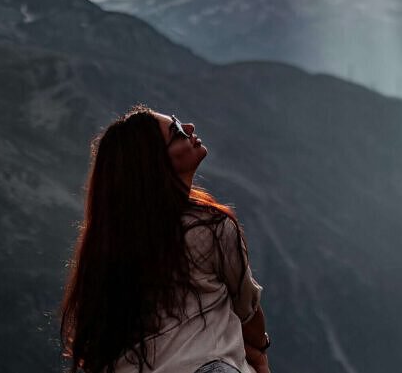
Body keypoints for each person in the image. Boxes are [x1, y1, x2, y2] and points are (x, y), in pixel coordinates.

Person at [60, 105, 270, 373]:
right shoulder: (209, 228)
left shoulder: (107, 249)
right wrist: (260, 352)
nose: (190, 128)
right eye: (178, 132)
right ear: (156, 162)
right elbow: (248, 311)